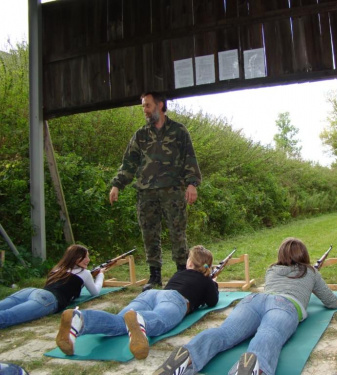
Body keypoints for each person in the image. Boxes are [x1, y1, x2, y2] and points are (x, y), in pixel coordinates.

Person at [155, 237, 337, 375]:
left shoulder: (272, 269)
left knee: (224, 332)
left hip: (255, 300)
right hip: (285, 306)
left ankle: (188, 355)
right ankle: (255, 365)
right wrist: (313, 279)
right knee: (269, 335)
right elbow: (331, 302)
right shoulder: (311, 271)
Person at [55, 245, 218, 360]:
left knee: (119, 322)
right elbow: (212, 301)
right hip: (176, 300)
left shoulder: (179, 273)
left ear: (189, 263)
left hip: (152, 295)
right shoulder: (206, 281)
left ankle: (80, 320)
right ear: (207, 266)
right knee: (160, 321)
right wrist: (214, 283)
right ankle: (140, 321)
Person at [109, 91, 202, 292]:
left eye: (147, 105)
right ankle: (155, 276)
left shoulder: (179, 131)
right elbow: (129, 163)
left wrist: (192, 184)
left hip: (173, 191)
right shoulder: (141, 135)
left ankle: (180, 273)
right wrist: (117, 184)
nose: (145, 110)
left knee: (178, 233)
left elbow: (190, 158)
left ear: (160, 105)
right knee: (149, 233)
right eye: (143, 106)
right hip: (146, 193)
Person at [0, 244, 104, 329]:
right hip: (48, 299)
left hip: (30, 291)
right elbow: (95, 292)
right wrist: (100, 275)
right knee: (7, 317)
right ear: (76, 258)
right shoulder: (85, 273)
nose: (88, 259)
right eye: (85, 256)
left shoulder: (58, 269)